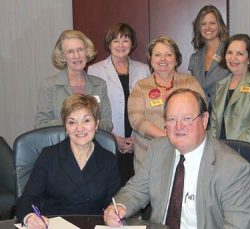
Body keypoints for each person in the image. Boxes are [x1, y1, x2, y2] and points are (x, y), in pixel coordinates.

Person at [104, 88, 250, 229]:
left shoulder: (234, 169)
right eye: (171, 119)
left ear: (204, 120)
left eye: (187, 118)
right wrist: (120, 206)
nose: (179, 126)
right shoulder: (158, 149)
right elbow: (136, 190)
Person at [16, 94, 120, 228]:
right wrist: (30, 217)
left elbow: (114, 202)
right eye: (72, 122)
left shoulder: (108, 159)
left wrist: (113, 214)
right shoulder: (49, 156)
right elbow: (28, 199)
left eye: (86, 120)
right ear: (65, 126)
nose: (80, 128)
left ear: (97, 123)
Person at [128, 35, 206, 172]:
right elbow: (136, 120)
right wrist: (168, 136)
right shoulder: (140, 87)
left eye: (168, 55)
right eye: (157, 55)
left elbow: (201, 113)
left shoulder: (190, 82)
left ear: (176, 60)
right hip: (149, 157)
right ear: (150, 59)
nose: (163, 59)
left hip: (187, 154)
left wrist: (178, 137)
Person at [88, 23, 150, 186]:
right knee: (112, 186)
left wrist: (137, 138)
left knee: (137, 186)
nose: (121, 45)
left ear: (132, 43)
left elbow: (149, 107)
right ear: (109, 44)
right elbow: (93, 110)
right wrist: (113, 137)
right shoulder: (95, 70)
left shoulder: (143, 69)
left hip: (138, 140)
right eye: (116, 40)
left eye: (125, 40)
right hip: (109, 139)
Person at [35, 29, 113, 132]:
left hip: (93, 145)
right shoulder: (49, 85)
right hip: (61, 145)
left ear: (87, 51)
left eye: (80, 49)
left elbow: (107, 123)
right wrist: (74, 122)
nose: (77, 56)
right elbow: (41, 124)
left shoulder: (100, 84)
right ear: (63, 56)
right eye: (70, 51)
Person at [209, 34, 250, 149]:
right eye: (230, 52)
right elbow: (214, 124)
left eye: (239, 53)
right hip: (222, 151)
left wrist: (234, 149)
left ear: (249, 59)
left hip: (249, 150)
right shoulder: (220, 85)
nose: (233, 58)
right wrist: (214, 148)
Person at [188, 5, 229, 109]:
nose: (208, 27)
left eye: (212, 23)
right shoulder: (194, 58)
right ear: (198, 27)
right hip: (202, 116)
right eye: (203, 24)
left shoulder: (230, 53)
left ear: (219, 25)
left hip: (225, 116)